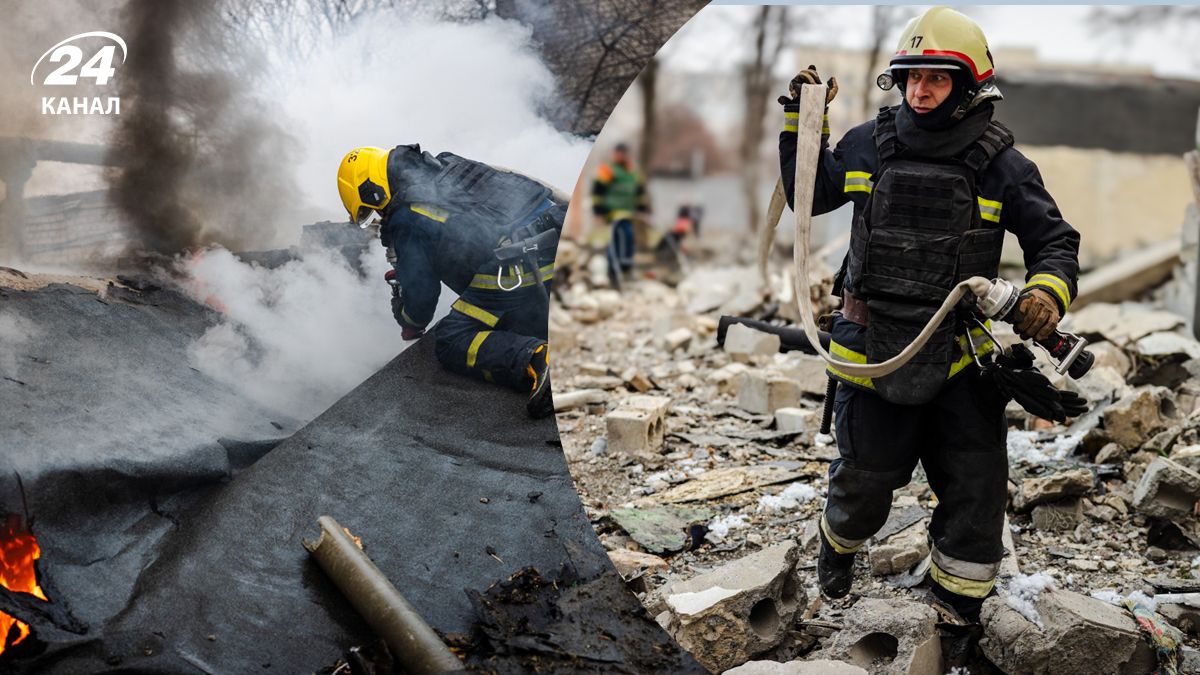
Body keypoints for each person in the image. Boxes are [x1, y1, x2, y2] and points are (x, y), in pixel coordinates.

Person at [778, 7, 1081, 621]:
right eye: (912, 76)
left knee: (976, 494)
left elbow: (1055, 242)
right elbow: (807, 197)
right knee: (865, 484)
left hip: (962, 356)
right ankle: (838, 545)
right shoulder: (867, 143)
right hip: (871, 349)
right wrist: (801, 127)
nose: (920, 90)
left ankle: (955, 617)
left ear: (969, 85)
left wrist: (1046, 295)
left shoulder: (1004, 166)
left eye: (937, 78)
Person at [336, 144, 565, 418]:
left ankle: (539, 357)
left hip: (520, 262)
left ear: (373, 191)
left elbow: (421, 301)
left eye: (368, 211)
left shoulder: (405, 215)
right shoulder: (446, 165)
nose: (378, 218)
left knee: (452, 337)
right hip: (560, 235)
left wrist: (406, 316)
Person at [591, 142, 650, 289]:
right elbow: (598, 191)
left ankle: (621, 269)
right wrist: (598, 211)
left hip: (628, 212)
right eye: (618, 153)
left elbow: (640, 192)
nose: (620, 156)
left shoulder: (633, 172)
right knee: (624, 235)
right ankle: (619, 269)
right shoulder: (608, 170)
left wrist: (643, 209)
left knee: (623, 240)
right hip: (613, 212)